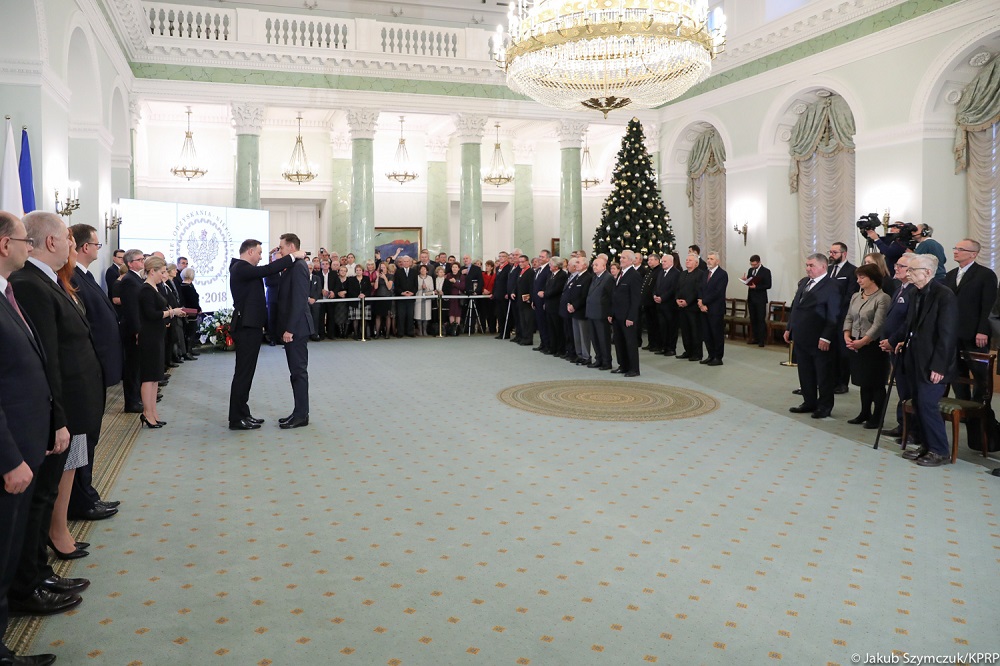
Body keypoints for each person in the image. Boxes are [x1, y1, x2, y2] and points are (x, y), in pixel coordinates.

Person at [8, 212, 103, 619]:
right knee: (40, 498)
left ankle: (39, 573)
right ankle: (30, 581)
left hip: (65, 408)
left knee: (46, 495)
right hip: (49, 413)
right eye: (67, 237)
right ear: (51, 242)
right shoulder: (29, 284)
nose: (72, 244)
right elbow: (48, 359)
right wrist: (59, 418)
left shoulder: (44, 280)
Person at [0, 210, 61, 666]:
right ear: (5, 245)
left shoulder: (6, 294)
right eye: (23, 239)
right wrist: (8, 458)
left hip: (26, 440)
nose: (28, 246)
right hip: (10, 453)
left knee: (12, 543)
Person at [68, 223, 123, 522]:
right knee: (84, 440)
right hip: (88, 370)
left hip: (96, 371)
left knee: (90, 438)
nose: (98, 249)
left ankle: (87, 493)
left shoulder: (84, 276)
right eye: (97, 244)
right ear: (85, 247)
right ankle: (82, 499)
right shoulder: (73, 276)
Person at [227, 239, 303, 431]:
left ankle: (243, 413)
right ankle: (237, 418)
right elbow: (267, 270)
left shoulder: (243, 268)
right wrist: (293, 257)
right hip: (245, 328)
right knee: (243, 373)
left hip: (250, 327)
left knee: (247, 373)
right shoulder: (240, 267)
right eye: (260, 253)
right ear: (250, 251)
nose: (261, 257)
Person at [890, 255, 957, 466]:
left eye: (912, 270)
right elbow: (912, 324)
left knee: (927, 404)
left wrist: (939, 365)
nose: (907, 273)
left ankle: (940, 451)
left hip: (934, 362)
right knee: (918, 402)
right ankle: (926, 445)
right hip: (915, 356)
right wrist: (903, 341)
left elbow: (947, 335)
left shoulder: (944, 295)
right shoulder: (914, 292)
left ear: (927, 272)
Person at [944, 239, 998, 447]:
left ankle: (979, 409)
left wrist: (983, 330)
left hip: (975, 334)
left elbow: (989, 305)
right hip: (953, 335)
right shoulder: (950, 275)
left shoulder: (985, 275)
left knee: (980, 378)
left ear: (973, 254)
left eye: (961, 249)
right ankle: (964, 409)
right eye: (955, 248)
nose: (956, 252)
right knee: (958, 376)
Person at [785, 253, 841, 419]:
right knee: (805, 371)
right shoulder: (804, 283)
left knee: (823, 374)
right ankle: (809, 401)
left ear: (823, 267)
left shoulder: (832, 285)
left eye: (811, 265)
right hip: (801, 336)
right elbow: (796, 307)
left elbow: (834, 314)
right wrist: (789, 328)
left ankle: (825, 406)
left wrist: (826, 337)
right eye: (807, 265)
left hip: (819, 338)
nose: (808, 268)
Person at [137, 256, 183, 429]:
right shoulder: (146, 290)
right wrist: (171, 313)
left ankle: (153, 412)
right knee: (148, 377)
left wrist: (170, 311)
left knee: (155, 376)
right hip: (148, 336)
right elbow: (151, 314)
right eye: (161, 272)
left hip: (156, 334)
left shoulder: (154, 288)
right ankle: (147, 413)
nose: (164, 275)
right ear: (151, 271)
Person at [842, 263, 891, 428]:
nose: (858, 280)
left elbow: (878, 325)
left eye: (862, 277)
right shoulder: (856, 296)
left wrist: (862, 342)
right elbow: (849, 316)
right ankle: (864, 412)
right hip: (856, 343)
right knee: (863, 381)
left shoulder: (882, 297)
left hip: (873, 346)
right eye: (857, 277)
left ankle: (877, 417)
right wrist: (846, 335)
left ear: (873, 278)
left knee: (875, 382)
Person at [275, 233, 313, 429]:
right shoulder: (291, 265)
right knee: (295, 373)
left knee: (298, 372)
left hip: (297, 328)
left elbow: (298, 300)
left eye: (281, 247)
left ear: (291, 247)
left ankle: (301, 415)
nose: (279, 250)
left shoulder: (298, 267)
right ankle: (298, 412)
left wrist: (289, 329)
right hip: (294, 327)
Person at [878, 253, 917, 440]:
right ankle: (902, 424)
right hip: (893, 345)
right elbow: (891, 318)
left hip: (904, 346)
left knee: (908, 389)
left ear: (911, 271)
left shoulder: (914, 292)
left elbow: (908, 322)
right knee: (901, 388)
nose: (896, 268)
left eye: (901, 266)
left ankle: (912, 429)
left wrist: (892, 340)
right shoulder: (899, 288)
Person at [118, 248, 147, 413]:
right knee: (132, 367)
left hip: (138, 328)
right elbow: (131, 309)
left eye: (143, 259)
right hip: (132, 330)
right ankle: (131, 402)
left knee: (137, 366)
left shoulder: (136, 279)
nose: (143, 262)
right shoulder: (129, 280)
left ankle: (137, 397)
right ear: (130, 263)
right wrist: (137, 331)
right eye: (140, 259)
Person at [827, 242, 858, 395]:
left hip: (843, 315)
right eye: (830, 252)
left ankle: (842, 383)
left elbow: (851, 294)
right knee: (830, 349)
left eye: (835, 252)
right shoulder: (828, 269)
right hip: (828, 316)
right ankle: (830, 381)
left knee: (842, 351)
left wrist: (834, 306)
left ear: (844, 253)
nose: (831, 255)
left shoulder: (852, 271)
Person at [611, 249, 642, 377]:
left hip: (627, 317)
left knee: (630, 343)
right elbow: (616, 295)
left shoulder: (634, 275)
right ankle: (623, 365)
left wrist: (631, 317)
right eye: (621, 257)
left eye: (624, 258)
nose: (621, 259)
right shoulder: (621, 273)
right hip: (617, 315)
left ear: (631, 260)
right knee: (619, 342)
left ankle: (634, 369)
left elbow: (636, 299)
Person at [698, 251, 728, 366]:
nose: (708, 260)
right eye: (708, 258)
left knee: (716, 333)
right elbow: (700, 288)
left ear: (717, 261)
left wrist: (704, 302)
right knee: (706, 334)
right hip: (703, 308)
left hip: (715, 309)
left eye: (711, 259)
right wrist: (700, 302)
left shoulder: (722, 274)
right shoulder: (705, 273)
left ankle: (718, 357)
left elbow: (717, 292)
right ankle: (710, 355)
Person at [586, 255, 613, 370]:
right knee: (594, 338)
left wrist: (610, 313)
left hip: (602, 313)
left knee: (603, 339)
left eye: (597, 265)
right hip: (592, 312)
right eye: (593, 265)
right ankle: (599, 359)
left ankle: (606, 361)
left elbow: (611, 297)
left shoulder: (608, 278)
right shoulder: (594, 277)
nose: (594, 267)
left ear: (604, 266)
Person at [675, 253, 703, 362]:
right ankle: (688, 351)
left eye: (690, 260)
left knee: (695, 331)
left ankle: (697, 353)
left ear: (696, 263)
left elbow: (697, 290)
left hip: (693, 308)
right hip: (681, 307)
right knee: (685, 331)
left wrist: (687, 301)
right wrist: (677, 299)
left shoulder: (700, 274)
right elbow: (677, 288)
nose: (687, 261)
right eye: (686, 260)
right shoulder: (683, 274)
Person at [742, 254, 771, 347]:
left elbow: (768, 285)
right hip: (751, 298)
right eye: (751, 264)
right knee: (753, 319)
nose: (753, 266)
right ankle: (755, 338)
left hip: (761, 299)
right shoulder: (750, 270)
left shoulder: (766, 271)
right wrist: (746, 281)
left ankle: (762, 340)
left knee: (760, 319)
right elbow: (750, 282)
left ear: (759, 262)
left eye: (754, 265)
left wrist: (757, 287)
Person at [543, 257, 568, 356]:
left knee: (558, 328)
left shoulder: (562, 275)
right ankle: (553, 347)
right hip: (549, 304)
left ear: (557, 266)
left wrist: (545, 294)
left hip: (556, 305)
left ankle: (560, 349)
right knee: (551, 328)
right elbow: (547, 287)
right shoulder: (551, 274)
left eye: (551, 264)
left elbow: (557, 289)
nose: (549, 266)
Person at [177, 267, 202, 354]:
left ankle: (189, 350)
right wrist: (198, 308)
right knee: (190, 331)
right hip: (191, 312)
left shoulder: (182, 286)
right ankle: (188, 351)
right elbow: (193, 300)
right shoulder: (188, 287)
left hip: (187, 311)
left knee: (189, 331)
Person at [394, 255, 418, 337]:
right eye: (404, 261)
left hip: (411, 297)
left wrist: (412, 293)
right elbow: (396, 286)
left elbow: (416, 285)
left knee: (410, 315)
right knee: (401, 315)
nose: (406, 263)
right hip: (401, 297)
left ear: (410, 263)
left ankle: (410, 332)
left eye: (408, 261)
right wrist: (402, 293)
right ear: (402, 263)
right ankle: (400, 332)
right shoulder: (398, 272)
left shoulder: (414, 272)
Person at [345, 264, 371, 340]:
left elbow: (369, 289)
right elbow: (350, 290)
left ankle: (363, 334)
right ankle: (355, 334)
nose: (358, 272)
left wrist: (364, 294)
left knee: (364, 318)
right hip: (355, 302)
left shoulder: (366, 279)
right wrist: (358, 295)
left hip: (365, 302)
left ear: (362, 271)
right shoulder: (351, 279)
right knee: (355, 318)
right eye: (357, 270)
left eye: (360, 270)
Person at [515, 254, 535, 346]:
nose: (521, 263)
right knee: (522, 320)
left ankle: (528, 338)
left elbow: (532, 286)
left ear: (527, 262)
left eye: (523, 262)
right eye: (519, 262)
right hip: (520, 300)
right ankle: (523, 337)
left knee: (528, 320)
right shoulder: (521, 271)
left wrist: (530, 298)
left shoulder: (530, 272)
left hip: (527, 300)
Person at [444, 261, 466, 335]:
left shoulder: (462, 276)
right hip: (450, 297)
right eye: (453, 267)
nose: (454, 269)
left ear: (459, 268)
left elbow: (462, 287)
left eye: (456, 267)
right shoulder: (448, 275)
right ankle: (451, 329)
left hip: (458, 298)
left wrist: (455, 282)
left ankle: (457, 329)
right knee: (451, 313)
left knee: (458, 314)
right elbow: (446, 286)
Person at [371, 262, 392, 338]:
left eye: (383, 267)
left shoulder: (390, 276)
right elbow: (375, 287)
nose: (382, 269)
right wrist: (377, 278)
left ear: (386, 268)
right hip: (378, 297)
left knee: (387, 316)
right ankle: (377, 333)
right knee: (378, 316)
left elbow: (389, 287)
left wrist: (385, 278)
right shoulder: (378, 276)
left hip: (387, 297)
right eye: (381, 267)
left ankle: (387, 333)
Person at [415, 264, 434, 336]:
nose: (423, 271)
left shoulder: (430, 278)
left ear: (427, 271)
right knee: (418, 314)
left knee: (426, 314)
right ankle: (420, 330)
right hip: (418, 297)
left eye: (424, 269)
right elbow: (414, 287)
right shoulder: (417, 277)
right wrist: (420, 287)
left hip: (427, 297)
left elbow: (432, 288)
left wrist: (426, 288)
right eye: (421, 269)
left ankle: (425, 330)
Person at [481, 259, 496, 334]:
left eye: (488, 266)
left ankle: (492, 328)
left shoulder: (495, 275)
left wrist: (490, 292)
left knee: (491, 313)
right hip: (483, 295)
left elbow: (495, 285)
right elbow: (481, 283)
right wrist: (483, 290)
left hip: (491, 296)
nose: (486, 267)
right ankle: (483, 328)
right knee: (483, 312)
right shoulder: (482, 274)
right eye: (486, 266)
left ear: (492, 267)